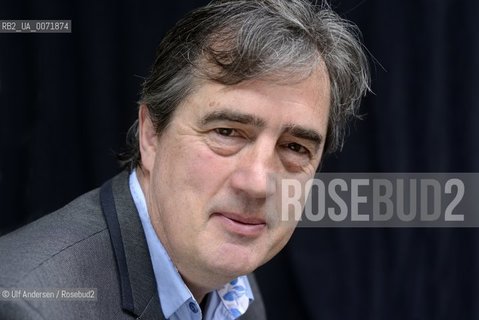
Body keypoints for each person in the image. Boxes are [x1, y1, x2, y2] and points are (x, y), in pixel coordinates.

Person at [0, 0, 369, 319]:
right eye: (227, 132)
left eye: (294, 148)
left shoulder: (232, 286)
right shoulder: (29, 306)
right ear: (150, 135)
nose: (258, 183)